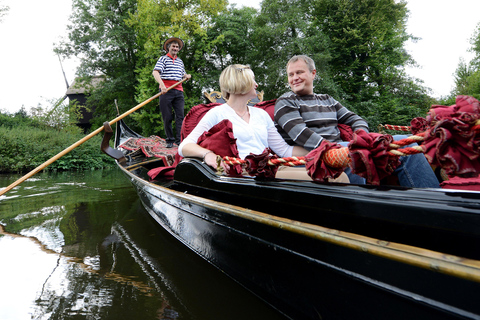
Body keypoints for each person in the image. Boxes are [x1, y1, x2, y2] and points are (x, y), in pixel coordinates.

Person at [274, 55, 440, 188]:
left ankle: (432, 202)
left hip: (341, 149)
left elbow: (355, 118)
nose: (295, 78)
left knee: (404, 143)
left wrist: (362, 138)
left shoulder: (328, 100)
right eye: (291, 74)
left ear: (313, 73)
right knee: (360, 154)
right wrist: (341, 149)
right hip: (316, 156)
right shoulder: (285, 101)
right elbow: (301, 134)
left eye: (299, 72)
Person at [178, 64, 311, 177]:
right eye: (252, 79)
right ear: (240, 82)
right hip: (241, 176)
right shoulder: (217, 114)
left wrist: (322, 149)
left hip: (267, 171)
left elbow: (285, 151)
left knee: (326, 174)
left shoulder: (261, 114)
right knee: (321, 178)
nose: (256, 84)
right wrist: (208, 154)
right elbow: (184, 147)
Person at [153, 37, 192, 148]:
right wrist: (163, 85)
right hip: (166, 91)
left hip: (178, 90)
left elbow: (183, 74)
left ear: (178, 49)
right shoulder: (163, 59)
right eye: (173, 46)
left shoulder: (180, 61)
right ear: (168, 48)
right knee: (167, 116)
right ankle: (170, 140)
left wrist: (186, 76)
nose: (175, 48)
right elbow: (155, 72)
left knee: (180, 116)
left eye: (177, 47)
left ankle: (180, 141)